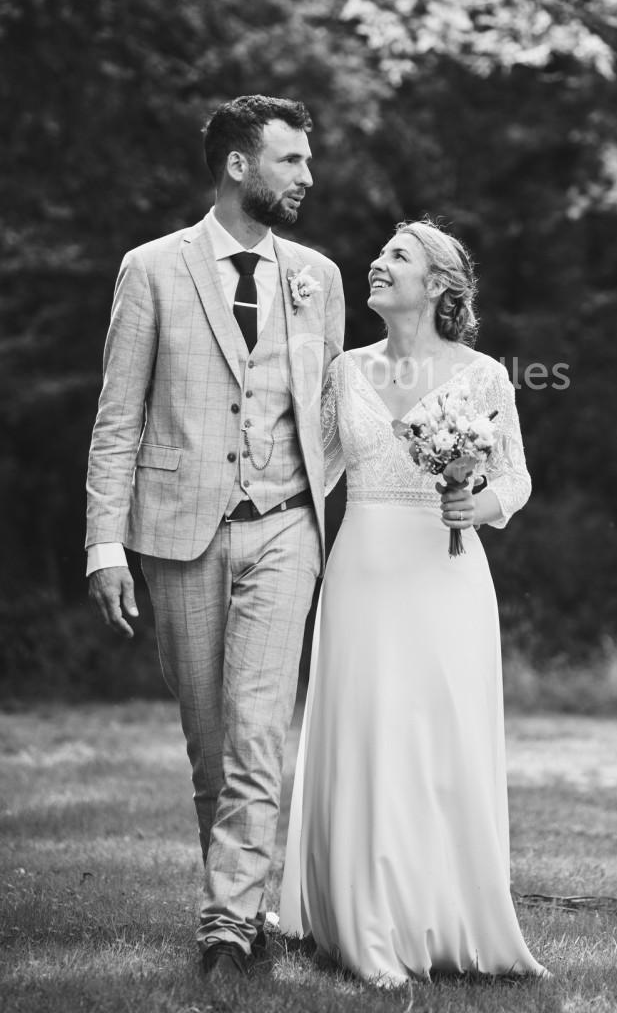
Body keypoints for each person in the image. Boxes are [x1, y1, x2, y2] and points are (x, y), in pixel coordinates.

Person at [85, 94, 344, 982]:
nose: (308, 176)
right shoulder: (152, 269)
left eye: (307, 161)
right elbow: (118, 418)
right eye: (292, 160)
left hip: (286, 530)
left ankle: (227, 928)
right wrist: (104, 545)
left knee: (260, 731)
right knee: (212, 740)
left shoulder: (319, 277)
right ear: (240, 165)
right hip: (177, 534)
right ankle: (246, 903)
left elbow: (329, 415)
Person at [279, 218, 547, 986]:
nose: (375, 262)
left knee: (443, 743)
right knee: (369, 736)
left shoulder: (488, 375)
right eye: (380, 253)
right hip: (362, 573)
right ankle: (364, 925)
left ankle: (454, 920)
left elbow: (516, 479)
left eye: (397, 256)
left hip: (449, 582)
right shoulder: (344, 371)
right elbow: (311, 469)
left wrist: (480, 507)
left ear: (437, 285)